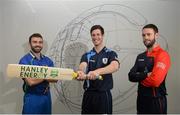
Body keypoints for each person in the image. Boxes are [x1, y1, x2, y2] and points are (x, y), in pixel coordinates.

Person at [77, 25, 120, 114]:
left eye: (98, 34)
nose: (96, 37)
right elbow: (83, 65)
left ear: (103, 35)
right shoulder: (87, 55)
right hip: (88, 95)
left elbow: (115, 66)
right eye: (93, 35)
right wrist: (80, 72)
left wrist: (97, 72)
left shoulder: (110, 53)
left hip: (103, 95)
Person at [128, 24, 171, 114]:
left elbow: (155, 81)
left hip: (156, 100)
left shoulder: (162, 55)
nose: (146, 37)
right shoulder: (140, 56)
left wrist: (139, 78)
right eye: (143, 35)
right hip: (141, 99)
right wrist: (146, 75)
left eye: (149, 34)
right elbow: (131, 76)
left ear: (156, 35)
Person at [19, 33, 57, 114]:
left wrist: (40, 76)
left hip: (46, 97)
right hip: (32, 97)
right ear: (30, 44)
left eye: (40, 42)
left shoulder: (48, 60)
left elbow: (55, 79)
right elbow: (30, 82)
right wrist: (46, 74)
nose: (38, 44)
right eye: (35, 42)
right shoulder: (24, 61)